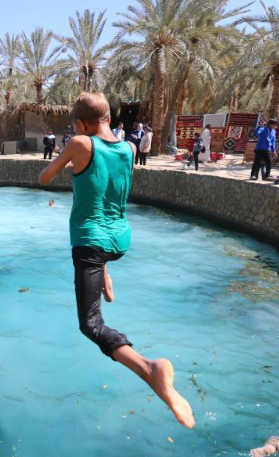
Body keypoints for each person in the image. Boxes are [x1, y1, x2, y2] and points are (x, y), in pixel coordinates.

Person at [38, 90, 195, 429]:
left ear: (81, 124)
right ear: (109, 117)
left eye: (75, 126)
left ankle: (150, 369)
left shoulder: (80, 143)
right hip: (120, 240)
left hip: (90, 242)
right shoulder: (129, 148)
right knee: (99, 251)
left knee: (91, 324)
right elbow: (107, 180)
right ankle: (105, 277)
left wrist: (68, 162)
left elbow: (44, 177)